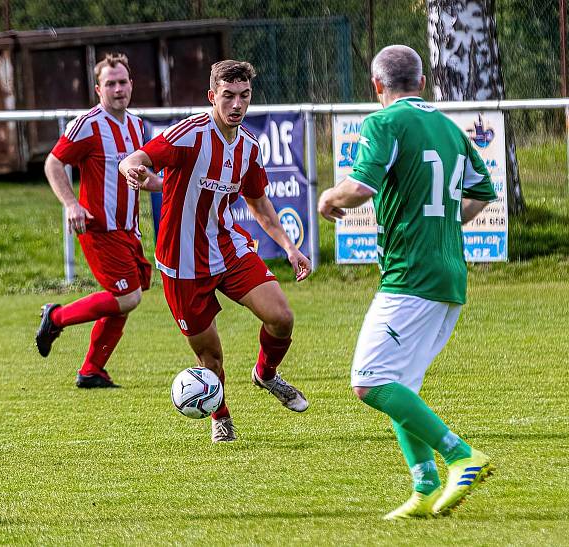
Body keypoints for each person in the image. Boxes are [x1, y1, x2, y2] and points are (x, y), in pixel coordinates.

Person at [317, 45, 498, 520]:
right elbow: (484, 191)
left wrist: (328, 198)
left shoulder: (384, 122)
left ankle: (461, 455)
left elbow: (359, 189)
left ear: (377, 85)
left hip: (410, 276)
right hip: (448, 274)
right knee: (401, 385)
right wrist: (442, 225)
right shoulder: (449, 128)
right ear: (422, 80)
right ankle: (424, 488)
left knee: (369, 382)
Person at [119, 60, 312, 443]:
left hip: (227, 245)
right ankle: (220, 415)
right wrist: (130, 167)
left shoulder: (250, 148)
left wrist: (290, 247)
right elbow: (138, 157)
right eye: (228, 96)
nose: (237, 105)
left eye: (244, 96)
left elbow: (259, 205)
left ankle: (266, 374)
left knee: (282, 317)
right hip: (181, 262)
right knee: (211, 359)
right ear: (213, 97)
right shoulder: (190, 133)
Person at [36, 52, 161, 389]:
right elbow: (53, 163)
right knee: (127, 297)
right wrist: (71, 204)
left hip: (128, 229)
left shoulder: (137, 125)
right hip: (98, 227)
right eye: (110, 83)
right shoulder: (87, 124)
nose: (118, 89)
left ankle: (92, 371)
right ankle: (56, 317)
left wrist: (160, 183)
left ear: (131, 84)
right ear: (98, 89)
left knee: (125, 300)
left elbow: (144, 176)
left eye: (122, 82)